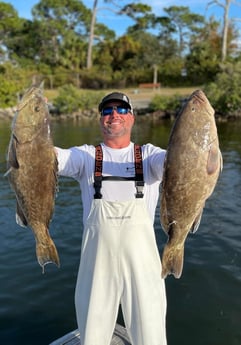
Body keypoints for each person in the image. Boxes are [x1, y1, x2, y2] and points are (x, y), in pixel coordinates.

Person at [55, 92, 167, 345]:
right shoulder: (85, 156)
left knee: (151, 333)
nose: (114, 115)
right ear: (100, 119)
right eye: (107, 110)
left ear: (132, 117)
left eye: (121, 109)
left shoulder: (150, 156)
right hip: (97, 260)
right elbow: (52, 158)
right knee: (92, 333)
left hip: (143, 260)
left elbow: (178, 162)